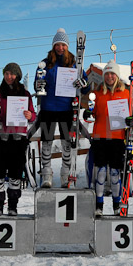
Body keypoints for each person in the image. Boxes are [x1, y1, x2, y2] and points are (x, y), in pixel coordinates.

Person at [83, 60, 133, 216]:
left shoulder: (125, 94)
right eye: (107, 74)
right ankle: (99, 205)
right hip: (100, 138)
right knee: (100, 172)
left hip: (117, 138)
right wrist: (87, 114)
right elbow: (91, 112)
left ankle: (117, 205)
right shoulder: (97, 94)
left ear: (116, 75)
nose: (109, 76)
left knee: (115, 173)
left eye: (112, 73)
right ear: (104, 76)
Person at [33, 28, 90, 188]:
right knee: (47, 142)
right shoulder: (45, 63)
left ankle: (65, 174)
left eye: (63, 45)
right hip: (48, 108)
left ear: (67, 46)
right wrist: (38, 85)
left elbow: (86, 87)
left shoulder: (75, 63)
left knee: (67, 143)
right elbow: (37, 84)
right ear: (53, 46)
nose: (60, 48)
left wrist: (83, 84)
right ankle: (46, 174)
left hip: (67, 109)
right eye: (57, 44)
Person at [0, 63, 36, 215]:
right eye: (6, 73)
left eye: (12, 74)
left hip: (18, 138)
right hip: (0, 137)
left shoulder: (25, 94)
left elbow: (33, 115)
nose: (9, 77)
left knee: (15, 174)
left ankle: (13, 206)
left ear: (18, 76)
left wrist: (29, 116)